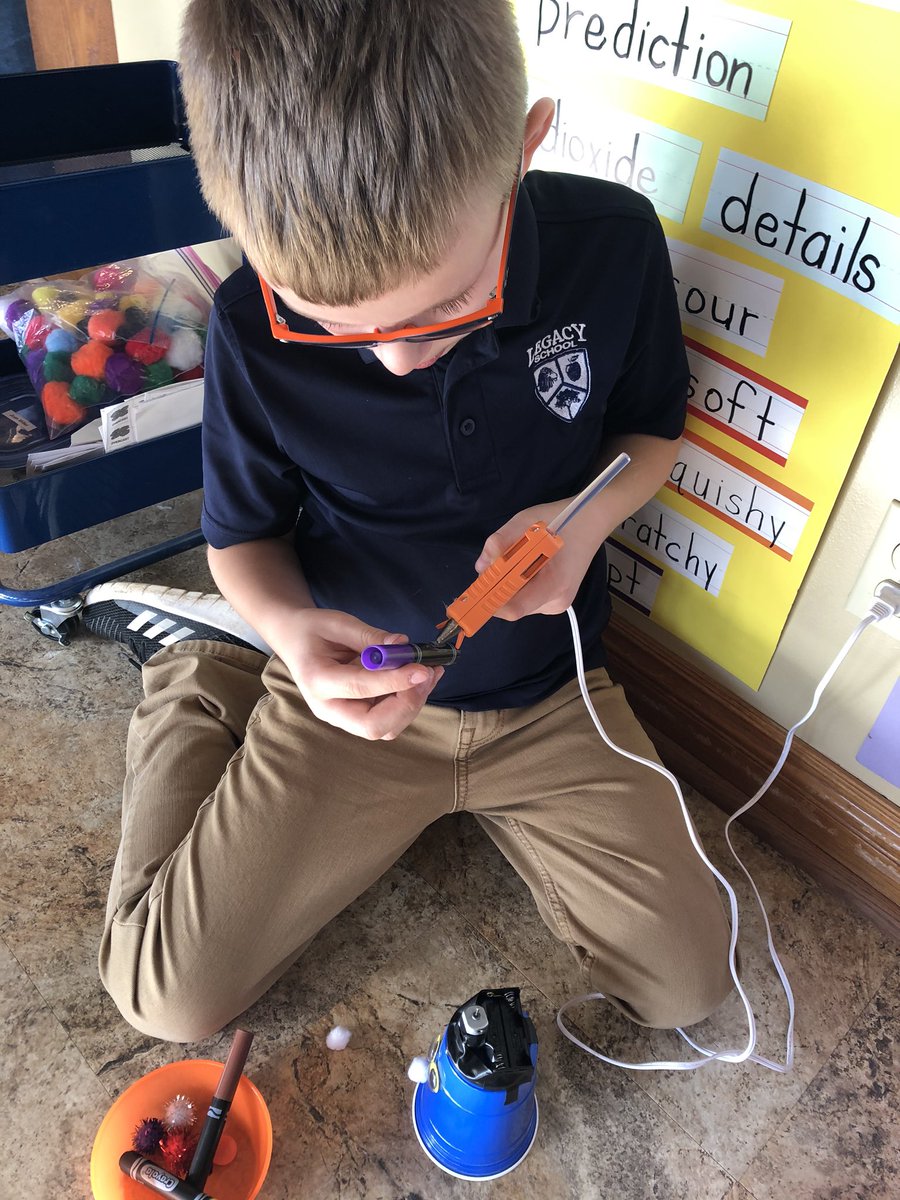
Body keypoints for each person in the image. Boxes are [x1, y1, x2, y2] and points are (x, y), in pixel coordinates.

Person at [88, 0, 732, 1043]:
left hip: (550, 695)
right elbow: (242, 538)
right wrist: (293, 638)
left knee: (689, 988)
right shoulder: (253, 323)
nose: (392, 357)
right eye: (331, 322)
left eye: (443, 307)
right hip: (355, 698)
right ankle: (207, 670)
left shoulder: (611, 246)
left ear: (522, 153)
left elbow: (650, 431)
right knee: (167, 998)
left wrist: (585, 518)